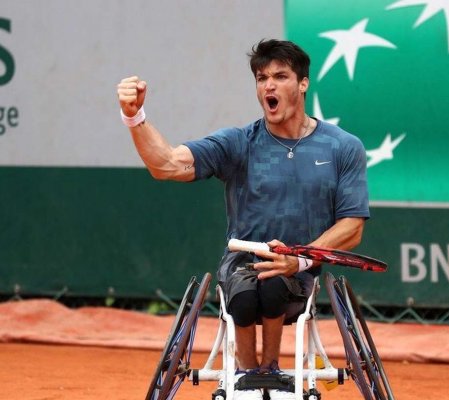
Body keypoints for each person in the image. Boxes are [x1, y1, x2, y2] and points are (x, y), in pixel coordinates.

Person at [117, 39, 369, 400]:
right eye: (261, 77)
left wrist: (298, 258)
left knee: (274, 285)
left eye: (280, 76)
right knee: (249, 290)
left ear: (302, 83)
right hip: (241, 265)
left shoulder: (342, 147)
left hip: (299, 270)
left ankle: (270, 369)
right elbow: (167, 164)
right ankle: (248, 377)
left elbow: (353, 226)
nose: (269, 85)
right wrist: (134, 117)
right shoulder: (238, 143)